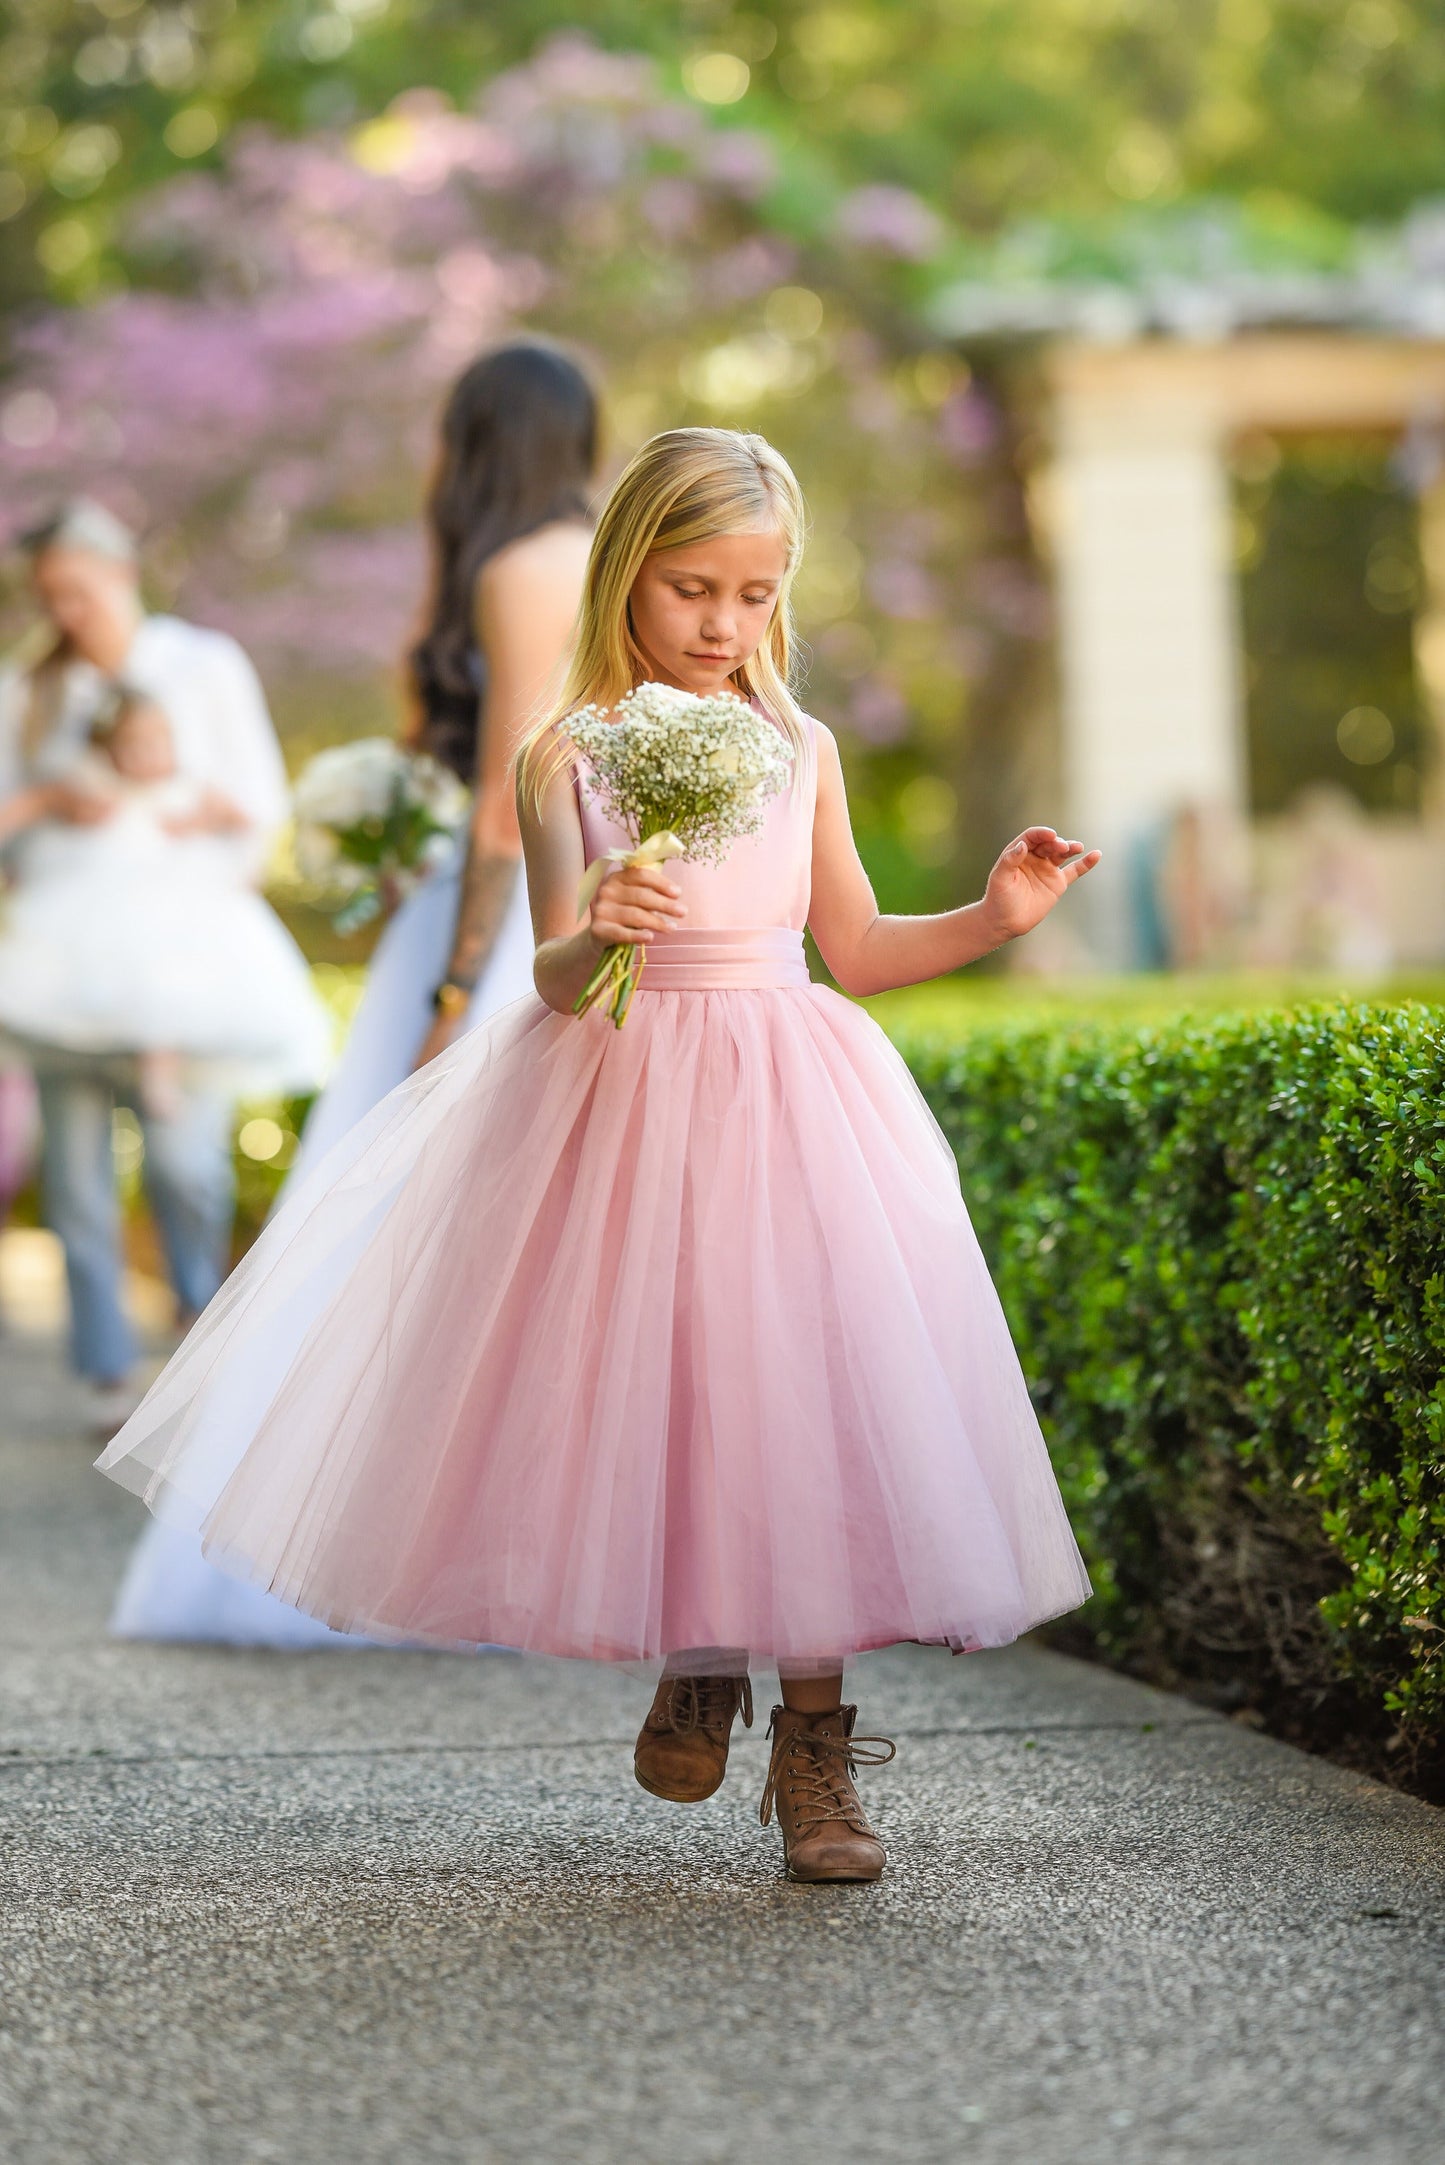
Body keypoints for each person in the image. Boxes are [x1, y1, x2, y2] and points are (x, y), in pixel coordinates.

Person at [98, 428, 1100, 1885]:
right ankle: (704, 1653)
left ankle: (812, 1750)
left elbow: (860, 949)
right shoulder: (567, 752)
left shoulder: (798, 747)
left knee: (797, 1389)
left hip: (787, 1098)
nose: (721, 624)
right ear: (627, 573)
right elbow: (557, 976)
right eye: (691, 587)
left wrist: (995, 920)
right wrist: (600, 922)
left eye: (755, 595)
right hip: (628, 1100)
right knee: (686, 1379)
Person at [107, 338, 599, 1647]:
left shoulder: (509, 567)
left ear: (478, 445)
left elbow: (507, 797)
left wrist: (451, 984)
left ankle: (380, 1548)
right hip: (602, 899)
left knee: (408, 1238)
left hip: (502, 925)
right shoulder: (612, 553)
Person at [0, 500, 292, 1431]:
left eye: (78, 593)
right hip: (63, 960)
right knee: (78, 1183)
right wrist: (49, 798)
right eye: (52, 598)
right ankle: (103, 1372)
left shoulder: (203, 666)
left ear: (121, 575)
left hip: (183, 963)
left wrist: (200, 832)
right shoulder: (28, 689)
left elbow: (262, 800)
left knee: (185, 1164)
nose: (68, 614)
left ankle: (200, 1327)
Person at [0, 685, 330, 1114]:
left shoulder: (189, 789)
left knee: (164, 989)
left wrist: (209, 825)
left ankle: (161, 1078)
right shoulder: (86, 786)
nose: (143, 757)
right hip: (95, 922)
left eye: (154, 744)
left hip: (173, 924)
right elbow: (19, 811)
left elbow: (252, 822)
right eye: (129, 746)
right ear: (106, 748)